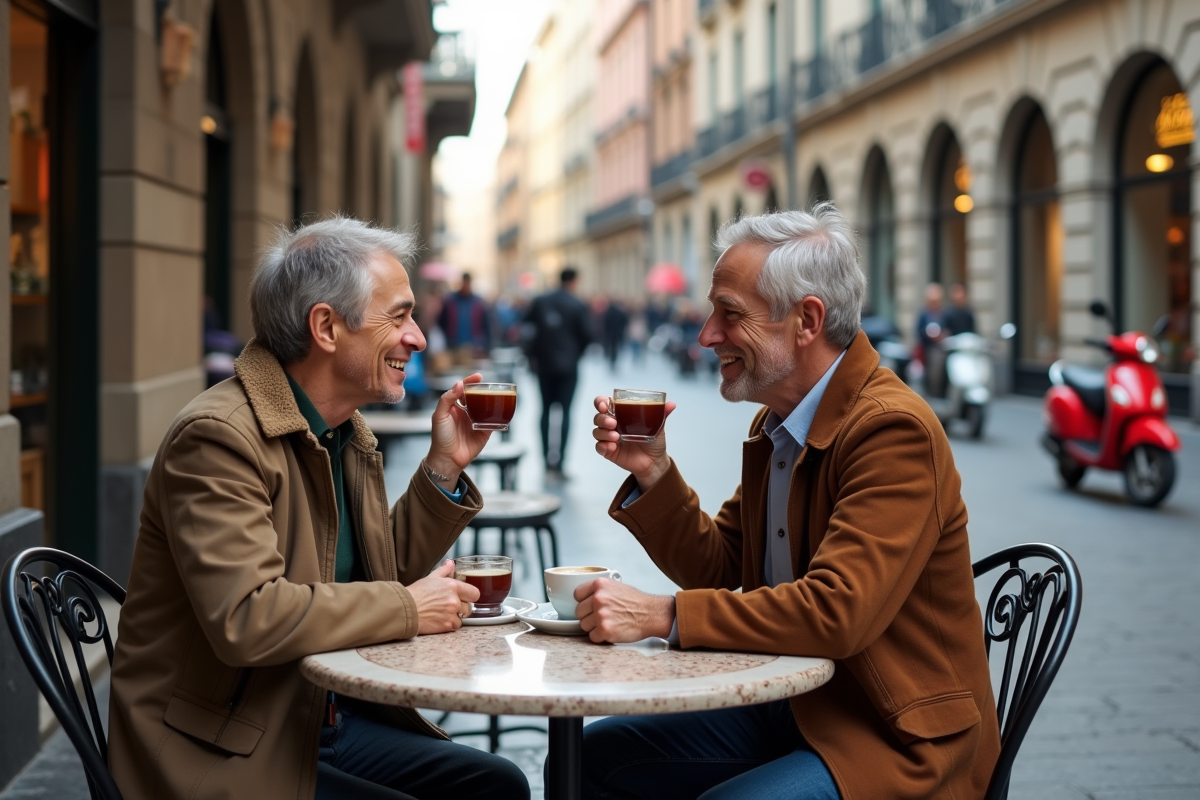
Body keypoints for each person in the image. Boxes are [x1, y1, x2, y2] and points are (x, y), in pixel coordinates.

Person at [578, 205, 999, 799]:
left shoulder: (891, 430)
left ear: (806, 320)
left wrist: (663, 615)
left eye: (730, 315)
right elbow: (725, 566)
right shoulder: (781, 422)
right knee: (594, 757)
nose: (706, 335)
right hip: (798, 702)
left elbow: (836, 612)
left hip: (894, 736)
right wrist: (654, 472)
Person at [107, 217, 529, 800]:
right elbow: (247, 618)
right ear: (327, 327)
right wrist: (407, 606)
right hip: (219, 747)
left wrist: (444, 466)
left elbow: (381, 573)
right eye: (399, 316)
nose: (419, 339)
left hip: (315, 719)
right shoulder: (218, 438)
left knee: (496, 783)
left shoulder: (343, 432)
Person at [524, 266, 593, 480]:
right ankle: (560, 463)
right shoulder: (577, 304)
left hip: (544, 366)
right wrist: (574, 355)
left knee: (544, 411)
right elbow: (589, 336)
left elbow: (526, 329)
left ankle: (546, 462)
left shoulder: (541, 301)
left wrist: (532, 356)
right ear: (574, 281)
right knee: (565, 414)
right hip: (568, 368)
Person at [437, 272, 491, 364]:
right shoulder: (450, 302)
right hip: (454, 346)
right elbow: (442, 323)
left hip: (474, 347)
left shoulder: (478, 303)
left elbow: (486, 326)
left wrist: (487, 347)